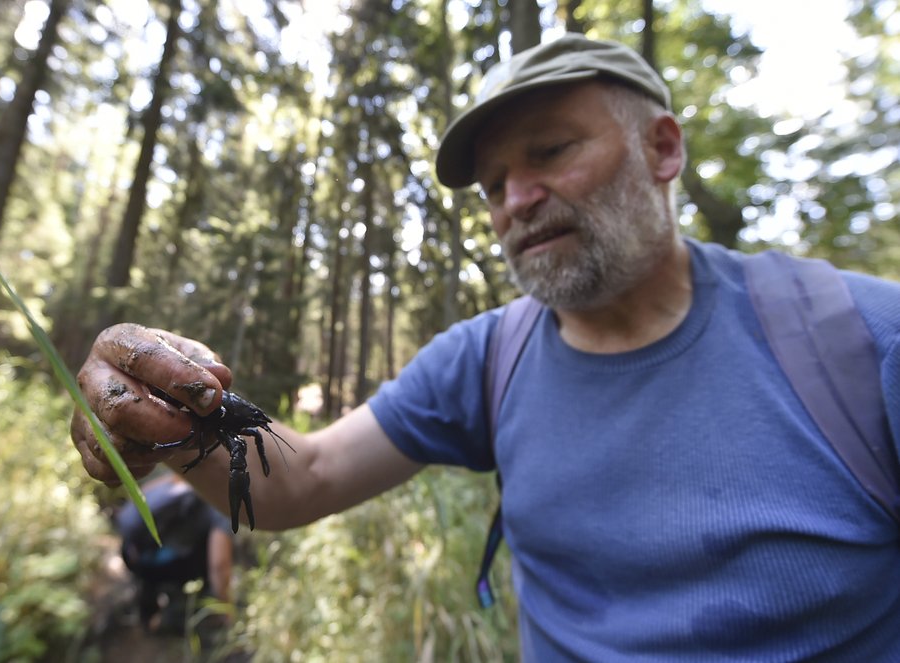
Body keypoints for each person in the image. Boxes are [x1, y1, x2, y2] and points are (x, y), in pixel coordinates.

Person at [71, 33, 900, 660]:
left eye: (551, 152)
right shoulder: (486, 358)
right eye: (495, 183)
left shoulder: (860, 340)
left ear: (663, 148)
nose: (516, 201)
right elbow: (306, 477)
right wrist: (164, 413)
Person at [114, 471, 234, 635]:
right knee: (204, 556)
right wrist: (226, 609)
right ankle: (181, 614)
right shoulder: (224, 506)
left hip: (130, 547)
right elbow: (219, 565)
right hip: (153, 561)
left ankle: (146, 620)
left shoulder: (191, 476)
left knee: (147, 582)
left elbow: (141, 493)